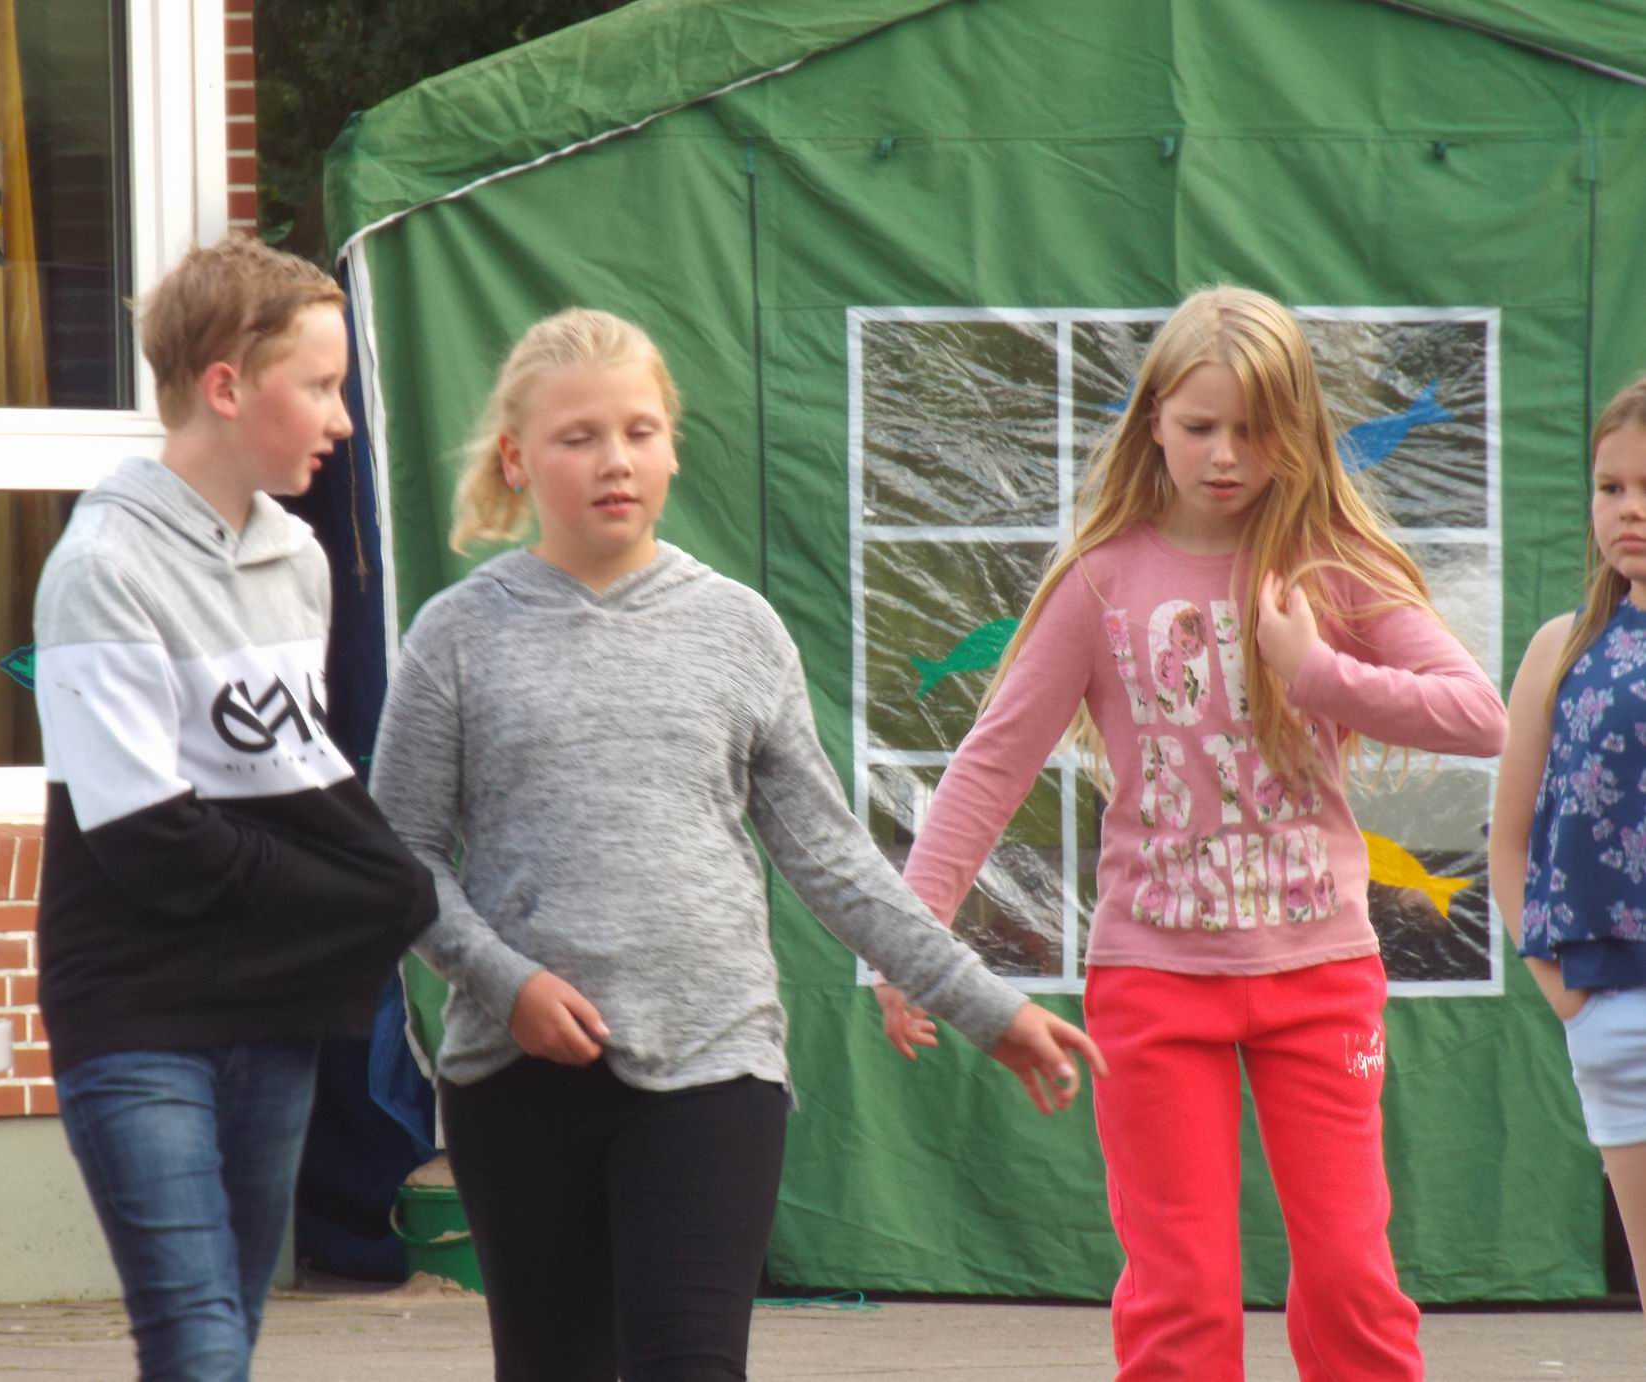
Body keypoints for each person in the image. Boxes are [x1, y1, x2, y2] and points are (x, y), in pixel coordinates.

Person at [369, 307, 1106, 1382]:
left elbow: (832, 857)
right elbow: (398, 854)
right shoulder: (457, 632)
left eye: (639, 430)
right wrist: (501, 979)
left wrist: (985, 1006)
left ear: (672, 446)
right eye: (578, 436)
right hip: (517, 1077)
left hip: (717, 1069)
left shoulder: (740, 627)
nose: (615, 460)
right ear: (516, 459)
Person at [886, 285, 1506, 1381]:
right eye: (1199, 425)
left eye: (1254, 429)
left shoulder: (1327, 566)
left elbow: (1479, 715)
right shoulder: (1099, 581)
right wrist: (911, 940)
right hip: (1153, 981)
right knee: (1178, 1292)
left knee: (1351, 1274)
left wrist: (1315, 671)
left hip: (1319, 974)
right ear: (1153, 424)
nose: (1225, 455)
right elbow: (992, 762)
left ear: (1296, 431)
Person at [33, 234, 437, 1380]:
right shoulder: (101, 565)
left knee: (230, 1329)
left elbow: (294, 787)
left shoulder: (299, 557)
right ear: (225, 385)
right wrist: (359, 897)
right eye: (320, 385)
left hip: (270, 1003)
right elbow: (147, 838)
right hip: (138, 1006)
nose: (341, 419)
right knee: (198, 1335)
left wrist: (386, 889)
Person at [1491, 374, 1646, 1313]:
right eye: (1609, 487)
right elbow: (1508, 842)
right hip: (1612, 1015)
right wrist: (1565, 994)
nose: (1627, 509)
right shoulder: (1562, 649)